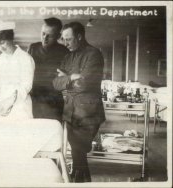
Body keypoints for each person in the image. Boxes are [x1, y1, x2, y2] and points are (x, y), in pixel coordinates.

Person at [53, 22, 105, 182]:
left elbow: (84, 84)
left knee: (79, 155)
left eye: (68, 39)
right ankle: (79, 181)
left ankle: (78, 181)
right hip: (70, 113)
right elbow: (55, 83)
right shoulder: (68, 56)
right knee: (78, 159)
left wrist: (66, 78)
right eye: (63, 39)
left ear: (80, 37)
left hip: (87, 114)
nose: (65, 43)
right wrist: (71, 77)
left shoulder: (94, 54)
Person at [0, 20, 35, 120]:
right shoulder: (1, 58)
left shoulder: (25, 58)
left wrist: (10, 102)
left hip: (19, 106)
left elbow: (26, 86)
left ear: (11, 39)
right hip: (1, 105)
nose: (0, 47)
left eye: (2, 43)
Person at [28, 17, 69, 122]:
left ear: (58, 36)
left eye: (49, 36)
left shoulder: (64, 52)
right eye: (43, 33)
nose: (45, 38)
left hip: (54, 103)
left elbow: (68, 79)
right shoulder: (33, 48)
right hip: (34, 100)